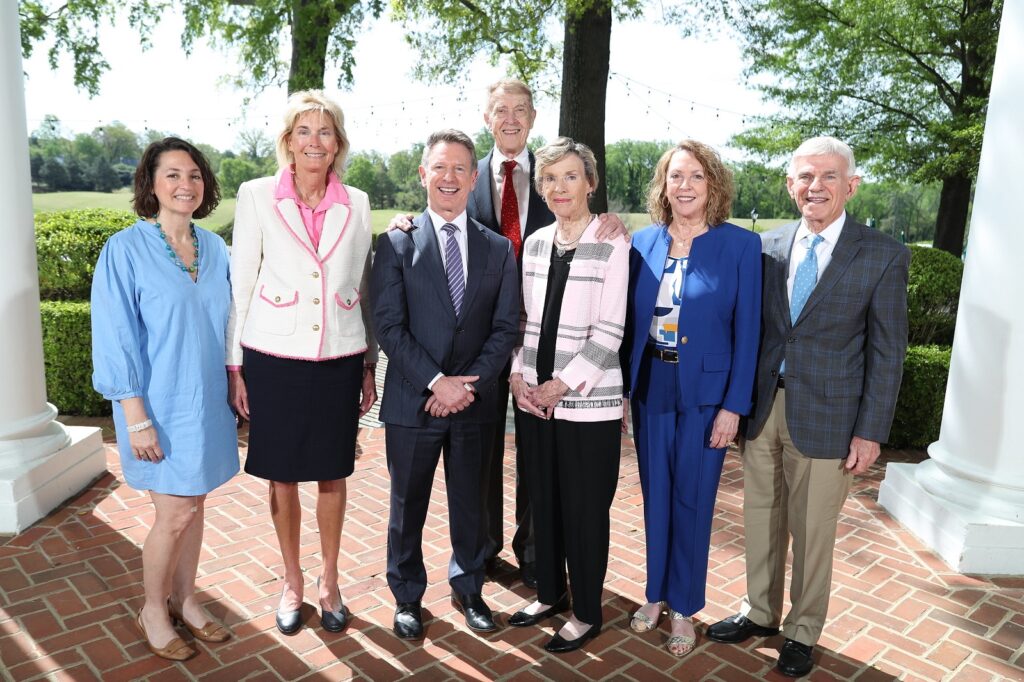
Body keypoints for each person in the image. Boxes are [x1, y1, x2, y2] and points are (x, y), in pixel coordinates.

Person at [390, 79, 628, 588]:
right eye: (501, 110)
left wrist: (613, 220)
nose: (511, 118)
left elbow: (582, 221)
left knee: (533, 454)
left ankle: (536, 554)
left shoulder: (551, 174)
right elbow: (436, 223)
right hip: (479, 346)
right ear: (487, 117)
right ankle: (482, 550)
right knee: (480, 457)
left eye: (521, 110)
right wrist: (405, 221)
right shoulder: (466, 174)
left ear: (534, 118)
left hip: (532, 340)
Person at [707, 136, 909, 677]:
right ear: (790, 184)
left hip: (831, 418)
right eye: (804, 176)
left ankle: (802, 630)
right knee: (760, 517)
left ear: (851, 185)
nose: (814, 187)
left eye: (827, 176)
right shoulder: (766, 248)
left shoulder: (883, 254)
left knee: (813, 530)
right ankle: (760, 611)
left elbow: (888, 352)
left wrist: (870, 431)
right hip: (763, 408)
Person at [226, 90, 377, 636]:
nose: (315, 142)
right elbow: (241, 282)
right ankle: (292, 580)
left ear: (338, 143)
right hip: (274, 357)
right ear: (288, 141)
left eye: (326, 132)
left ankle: (329, 581)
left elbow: (359, 287)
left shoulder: (357, 203)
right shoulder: (257, 195)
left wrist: (365, 366)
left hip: (338, 356)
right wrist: (235, 365)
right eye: (304, 132)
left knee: (333, 474)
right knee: (282, 477)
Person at [92, 137, 238, 661]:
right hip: (155, 406)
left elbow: (228, 326)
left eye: (194, 175)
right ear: (151, 184)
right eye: (173, 174)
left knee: (194, 507)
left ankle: (187, 599)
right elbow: (115, 338)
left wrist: (238, 380)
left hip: (206, 400)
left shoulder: (217, 249)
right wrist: (136, 420)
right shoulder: (125, 250)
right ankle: (153, 609)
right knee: (173, 513)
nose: (186, 184)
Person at [372, 129, 519, 641]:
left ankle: (470, 588)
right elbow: (389, 325)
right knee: (406, 504)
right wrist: (437, 382)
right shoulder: (394, 243)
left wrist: (466, 386)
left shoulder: (498, 249)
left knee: (471, 505)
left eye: (461, 168)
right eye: (440, 167)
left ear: (474, 176)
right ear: (423, 174)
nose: (450, 177)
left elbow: (506, 328)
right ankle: (407, 596)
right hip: (414, 402)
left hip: (475, 405)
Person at [621, 140, 762, 656]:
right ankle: (654, 593)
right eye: (676, 176)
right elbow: (627, 324)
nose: (685, 186)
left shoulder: (741, 247)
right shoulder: (642, 243)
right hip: (651, 388)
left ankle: (684, 607)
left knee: (694, 500)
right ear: (663, 185)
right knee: (656, 495)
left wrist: (734, 407)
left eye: (697, 177)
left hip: (707, 397)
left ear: (713, 186)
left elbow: (748, 334)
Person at [506, 138, 629, 654]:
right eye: (551, 178)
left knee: (584, 507)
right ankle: (551, 594)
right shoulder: (534, 243)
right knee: (544, 501)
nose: (560, 187)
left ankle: (585, 611)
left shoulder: (612, 241)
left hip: (587, 402)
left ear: (591, 183)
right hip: (534, 399)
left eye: (571, 177)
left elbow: (610, 330)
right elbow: (524, 321)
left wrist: (562, 385)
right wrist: (518, 376)